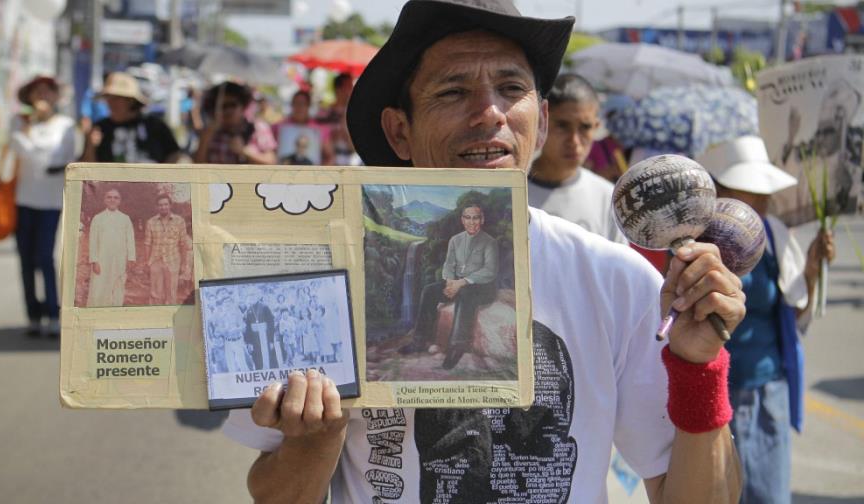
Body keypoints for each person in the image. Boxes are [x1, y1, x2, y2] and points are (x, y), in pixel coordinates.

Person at [224, 1, 744, 503]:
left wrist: (700, 369)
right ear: (400, 131)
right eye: (453, 91)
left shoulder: (618, 282)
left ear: (540, 122)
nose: (489, 112)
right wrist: (316, 436)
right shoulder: (325, 284)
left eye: (511, 88)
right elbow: (275, 496)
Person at [696, 135, 836, 504]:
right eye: (750, 191)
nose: (761, 200)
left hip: (767, 390)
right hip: (713, 393)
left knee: (769, 495)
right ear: (721, 191)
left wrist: (811, 271)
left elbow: (794, 313)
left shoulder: (774, 233)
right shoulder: (696, 240)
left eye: (763, 192)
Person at [10, 75, 76, 338]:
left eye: (47, 91)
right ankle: (33, 315)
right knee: (26, 259)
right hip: (23, 200)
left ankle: (53, 312)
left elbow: (63, 157)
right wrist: (31, 126)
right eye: (37, 92)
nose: (42, 96)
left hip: (50, 202)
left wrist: (36, 143)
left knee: (45, 257)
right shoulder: (20, 121)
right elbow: (22, 148)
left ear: (55, 96)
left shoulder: (65, 125)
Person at [528, 73, 627, 245]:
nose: (574, 141)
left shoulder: (608, 198)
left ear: (596, 127)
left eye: (585, 127)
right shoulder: (511, 192)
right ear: (541, 123)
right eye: (562, 126)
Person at [402, 204, 499, 369]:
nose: (471, 222)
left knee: (466, 294)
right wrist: (449, 282)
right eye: (467, 218)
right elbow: (449, 264)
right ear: (462, 220)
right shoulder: (455, 240)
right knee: (430, 290)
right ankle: (419, 341)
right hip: (457, 283)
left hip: (482, 287)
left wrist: (461, 283)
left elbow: (489, 271)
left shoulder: (490, 242)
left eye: (475, 218)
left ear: (482, 220)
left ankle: (457, 346)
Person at [80, 72, 181, 164]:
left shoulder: (155, 126)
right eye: (108, 97)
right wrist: (90, 146)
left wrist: (161, 174)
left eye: (117, 98)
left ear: (130, 101)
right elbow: (86, 167)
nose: (111, 102)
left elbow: (175, 154)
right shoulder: (99, 128)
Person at [194, 81, 278, 165]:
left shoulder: (258, 128)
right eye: (223, 106)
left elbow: (271, 162)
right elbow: (198, 165)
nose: (228, 110)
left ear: (243, 106)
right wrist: (205, 139)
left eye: (232, 105)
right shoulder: (211, 132)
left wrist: (244, 151)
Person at [86, 188, 136, 307]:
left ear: (119, 201)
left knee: (118, 286)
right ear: (105, 200)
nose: (112, 200)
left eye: (115, 197)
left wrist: (131, 258)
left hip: (120, 259)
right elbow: (93, 241)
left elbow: (130, 240)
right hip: (102, 259)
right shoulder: (98, 218)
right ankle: (97, 311)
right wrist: (94, 261)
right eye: (109, 197)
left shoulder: (125, 218)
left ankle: (114, 311)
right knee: (99, 286)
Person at [143, 194, 191, 305]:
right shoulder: (151, 222)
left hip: (173, 261)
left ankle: (170, 314)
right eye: (160, 205)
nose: (163, 207)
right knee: (155, 294)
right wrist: (147, 263)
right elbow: (147, 244)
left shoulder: (179, 221)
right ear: (157, 207)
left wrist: (183, 264)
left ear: (170, 205)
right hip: (155, 261)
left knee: (171, 294)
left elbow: (183, 244)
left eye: (165, 204)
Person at [273, 90, 334, 165]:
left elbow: (329, 157)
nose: (299, 107)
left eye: (303, 104)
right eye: (296, 103)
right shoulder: (279, 127)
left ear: (308, 106)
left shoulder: (320, 129)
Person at [317, 72, 360, 165]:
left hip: (350, 164)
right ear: (338, 89)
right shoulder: (323, 113)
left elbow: (356, 147)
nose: (352, 90)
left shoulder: (355, 115)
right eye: (349, 86)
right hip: (326, 163)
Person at [244, 288, 276, 369]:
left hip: (265, 336)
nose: (252, 297)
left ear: (257, 296)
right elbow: (248, 328)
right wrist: (249, 342)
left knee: (268, 357)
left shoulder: (265, 307)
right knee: (257, 357)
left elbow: (271, 323)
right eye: (250, 295)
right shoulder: (248, 310)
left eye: (253, 295)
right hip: (254, 338)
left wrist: (271, 340)